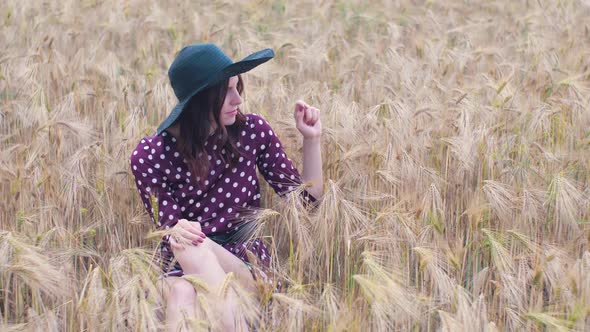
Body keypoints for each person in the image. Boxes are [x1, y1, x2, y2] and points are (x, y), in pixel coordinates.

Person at [129, 43, 323, 331]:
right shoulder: (150, 156)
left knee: (196, 244)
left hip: (247, 267)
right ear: (200, 99)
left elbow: (307, 201)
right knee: (184, 281)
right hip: (181, 268)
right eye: (227, 92)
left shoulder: (252, 132)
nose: (238, 100)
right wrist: (179, 231)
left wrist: (311, 139)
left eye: (237, 88)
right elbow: (172, 232)